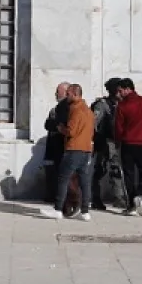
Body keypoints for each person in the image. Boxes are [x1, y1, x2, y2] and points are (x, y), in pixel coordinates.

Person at [42, 84, 94, 221]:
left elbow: (71, 131)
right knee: (84, 181)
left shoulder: (75, 110)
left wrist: (61, 128)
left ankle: (58, 209)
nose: (67, 96)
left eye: (68, 94)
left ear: (75, 94)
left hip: (73, 149)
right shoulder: (88, 111)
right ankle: (85, 212)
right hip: (86, 149)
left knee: (63, 179)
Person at [113, 79, 142, 217]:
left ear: (127, 89)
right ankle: (140, 194)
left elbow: (118, 127)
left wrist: (118, 142)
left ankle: (131, 205)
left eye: (120, 91)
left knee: (128, 175)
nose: (119, 94)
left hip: (127, 143)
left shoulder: (122, 106)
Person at [89, 79, 123, 213]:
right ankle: (96, 198)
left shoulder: (122, 104)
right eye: (118, 90)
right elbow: (94, 123)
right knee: (100, 170)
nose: (120, 92)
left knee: (117, 170)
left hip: (117, 142)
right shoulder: (102, 105)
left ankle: (119, 198)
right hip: (104, 142)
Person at [42, 82, 70, 199]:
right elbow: (48, 124)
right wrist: (57, 126)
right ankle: (53, 195)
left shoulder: (71, 108)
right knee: (53, 172)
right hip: (54, 146)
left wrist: (57, 125)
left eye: (58, 91)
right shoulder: (55, 109)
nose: (56, 94)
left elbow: (66, 125)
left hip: (64, 146)